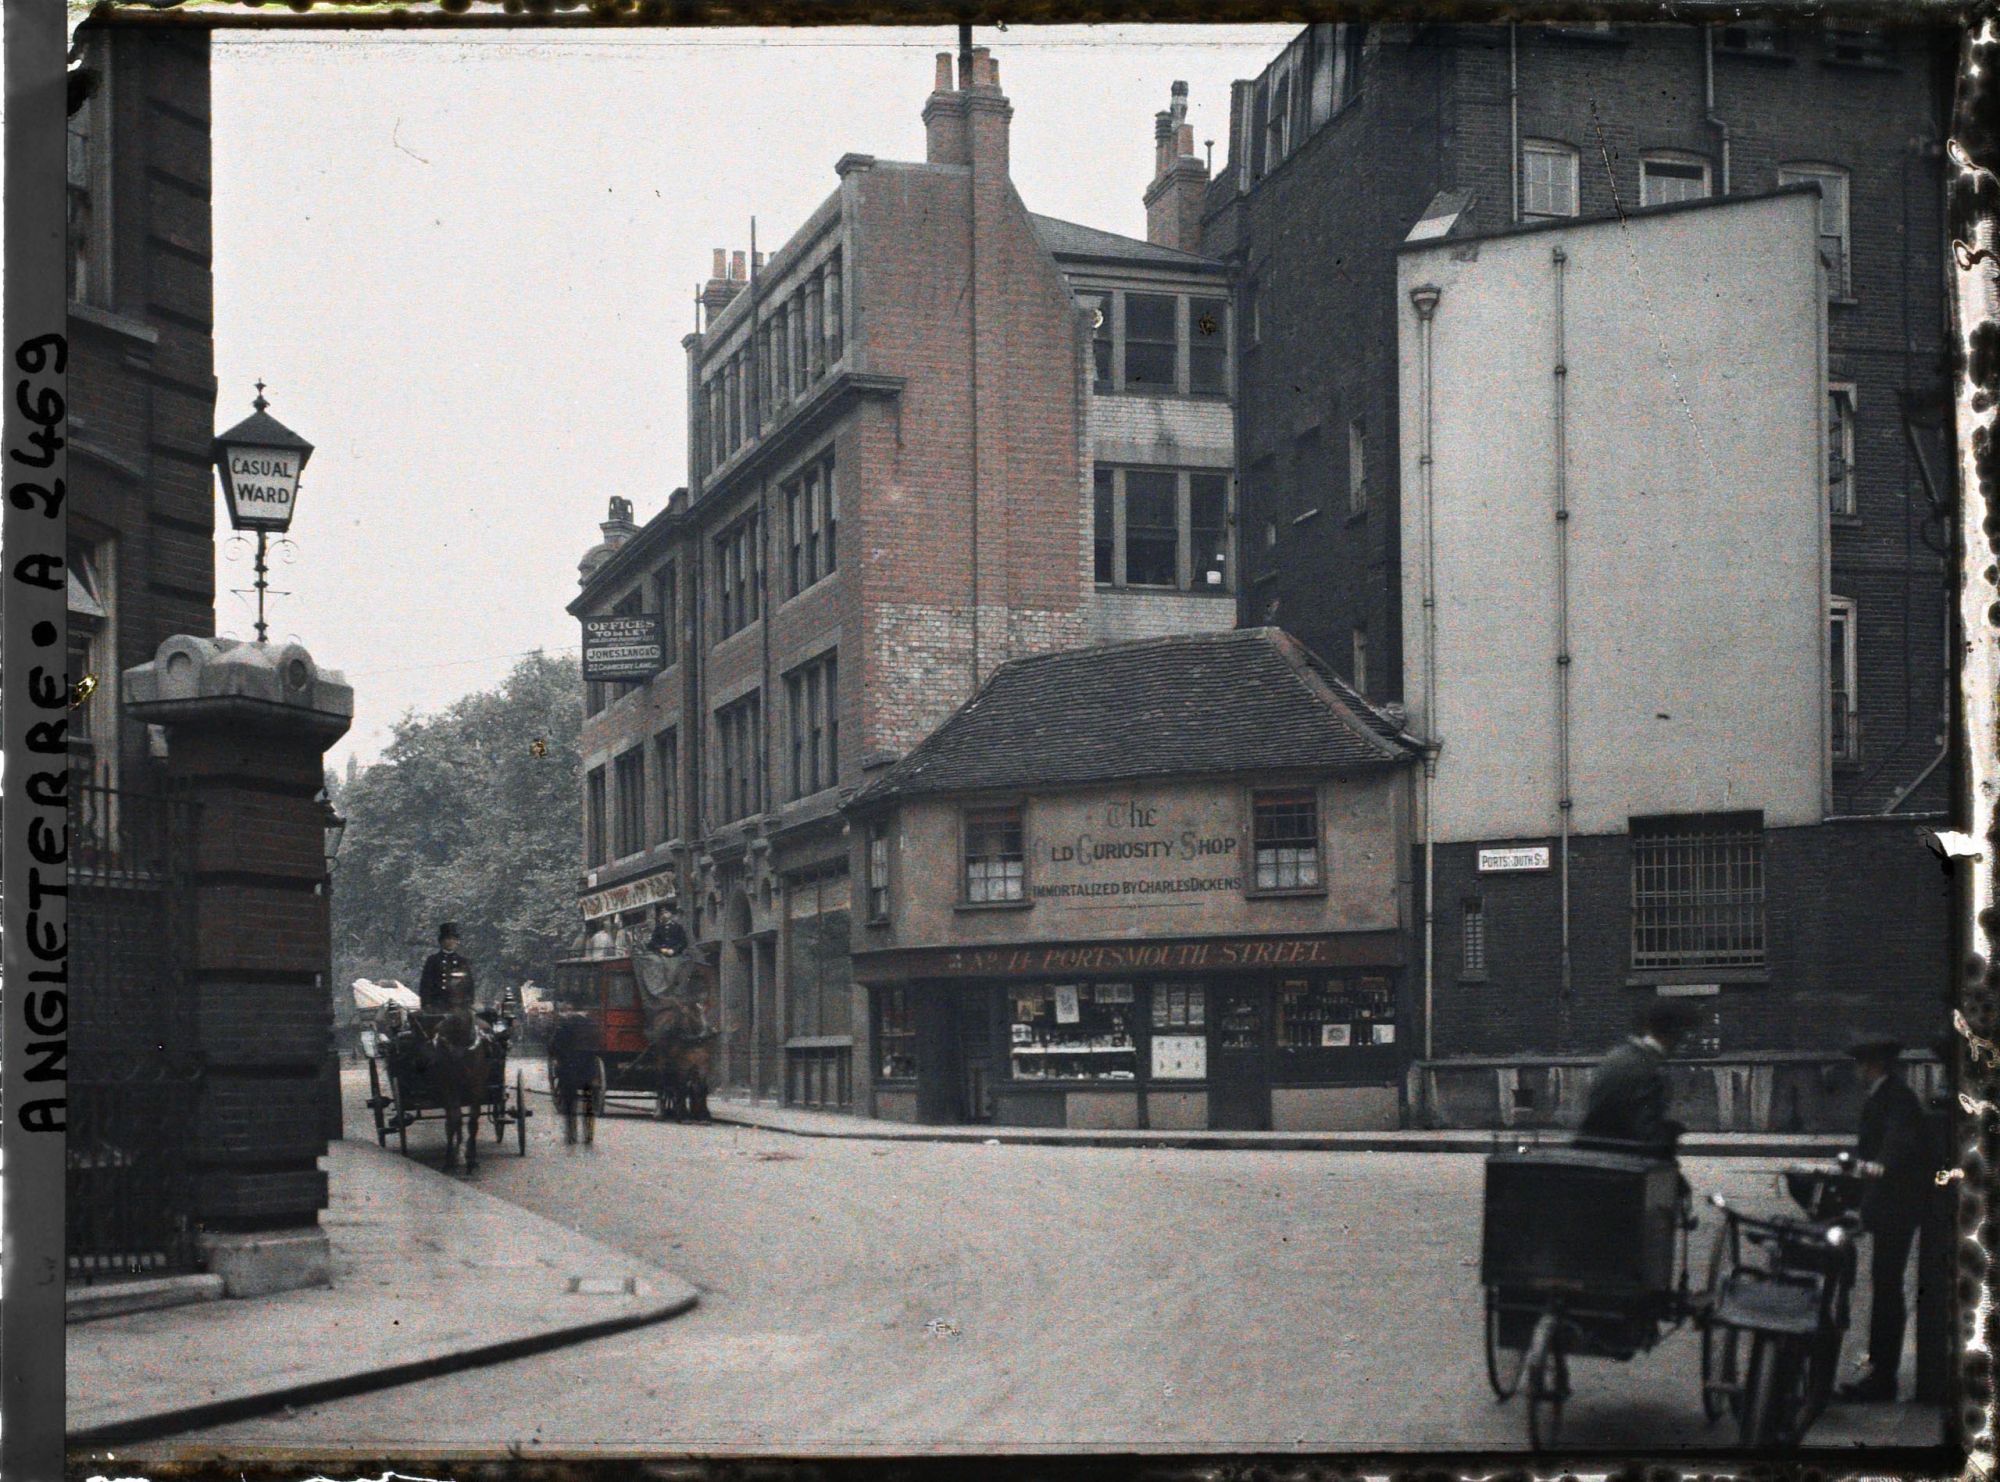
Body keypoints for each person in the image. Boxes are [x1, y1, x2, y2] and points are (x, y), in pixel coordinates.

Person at [1837, 1039, 1932, 1403]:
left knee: (1888, 1288)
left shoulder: (1897, 1098)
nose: (1858, 1070)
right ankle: (1879, 1372)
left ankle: (1882, 1378)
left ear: (1873, 1065)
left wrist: (1879, 1166)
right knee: (1884, 1285)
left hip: (1897, 1207)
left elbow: (1896, 1141)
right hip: (1890, 1205)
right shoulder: (1885, 1095)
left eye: (1860, 1064)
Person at [1574, 997, 1704, 1158]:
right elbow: (1645, 1136)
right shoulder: (1648, 1070)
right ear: (1677, 1033)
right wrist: (1670, 1133)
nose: (1687, 1039)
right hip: (1622, 1162)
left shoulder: (1619, 1055)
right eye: (1686, 1031)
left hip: (1594, 1154)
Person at [418, 922, 476, 1014]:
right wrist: (426, 1004)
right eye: (448, 939)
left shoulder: (462, 961)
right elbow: (426, 984)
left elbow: (469, 984)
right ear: (442, 941)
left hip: (459, 1006)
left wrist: (469, 1003)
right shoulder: (433, 960)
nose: (451, 942)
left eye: (454, 939)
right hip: (437, 1006)